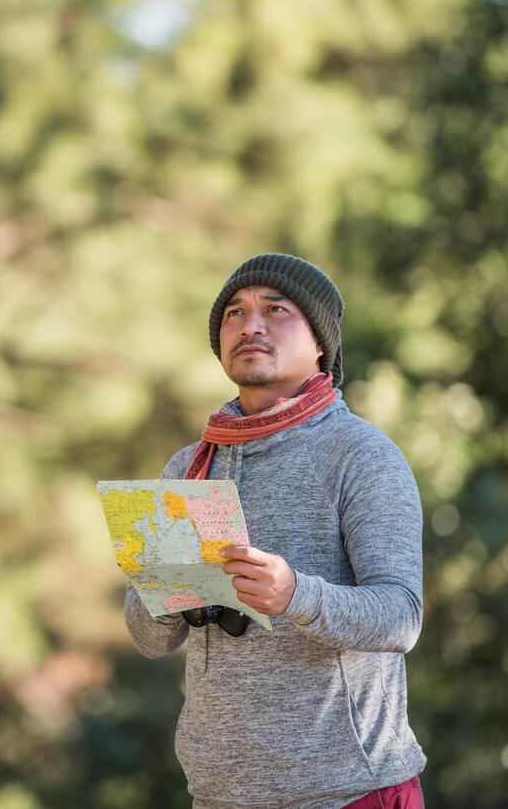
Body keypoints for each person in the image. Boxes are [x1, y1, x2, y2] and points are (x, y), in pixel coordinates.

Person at [123, 253, 427, 809]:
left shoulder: (361, 456)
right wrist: (163, 587)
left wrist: (295, 595)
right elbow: (149, 639)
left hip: (348, 791)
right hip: (219, 794)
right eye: (234, 313)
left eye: (276, 309)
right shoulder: (188, 469)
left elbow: (402, 615)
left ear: (321, 346)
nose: (250, 324)